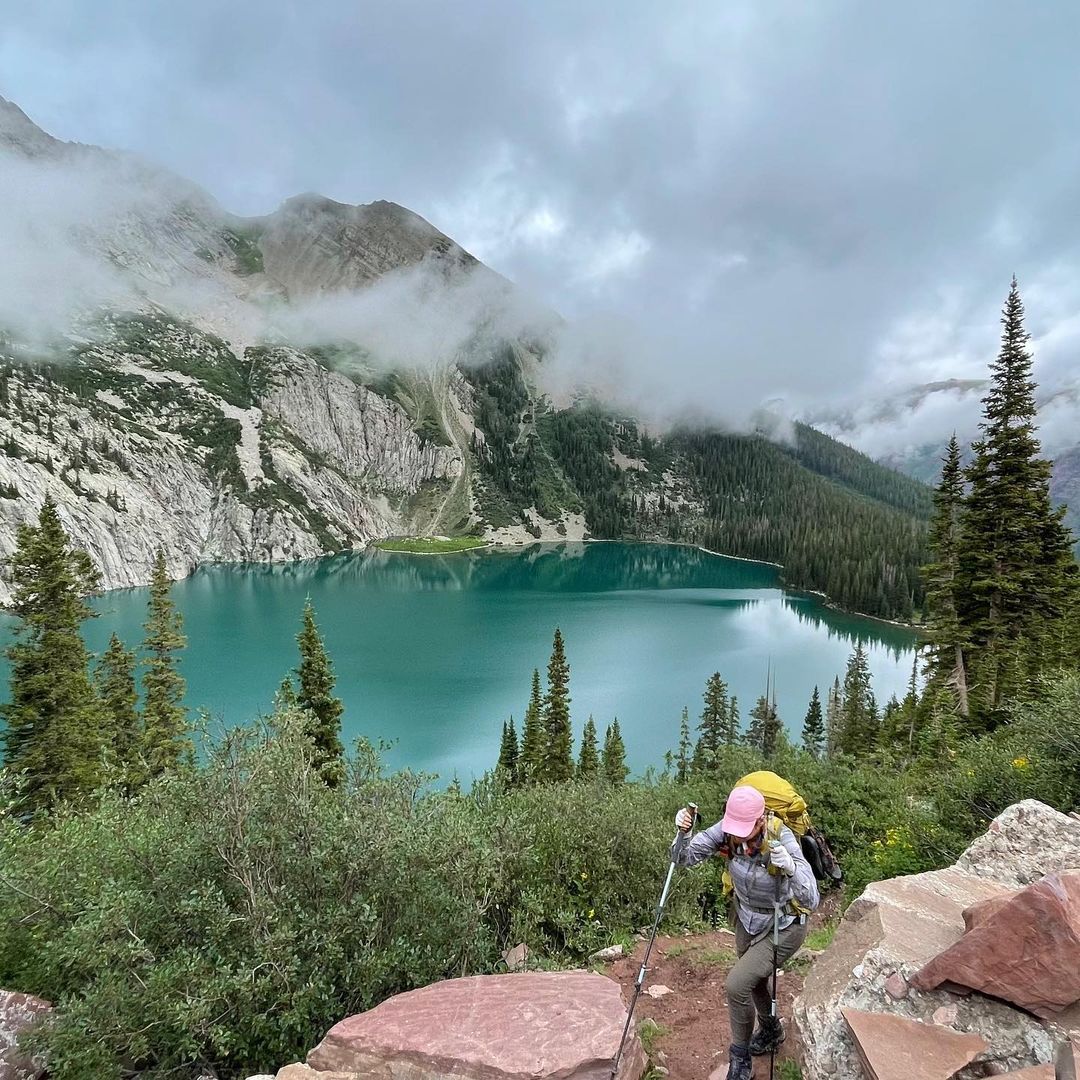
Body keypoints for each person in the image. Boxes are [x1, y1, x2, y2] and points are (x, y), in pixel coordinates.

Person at [674, 785, 819, 1080]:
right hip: (747, 919)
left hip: (785, 925)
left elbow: (811, 899)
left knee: (737, 984)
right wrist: (682, 833)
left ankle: (740, 1059)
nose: (738, 835)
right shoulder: (727, 830)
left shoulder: (782, 837)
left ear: (761, 820)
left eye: (745, 828)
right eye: (734, 827)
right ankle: (771, 1030)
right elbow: (682, 859)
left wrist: (791, 868)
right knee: (754, 981)